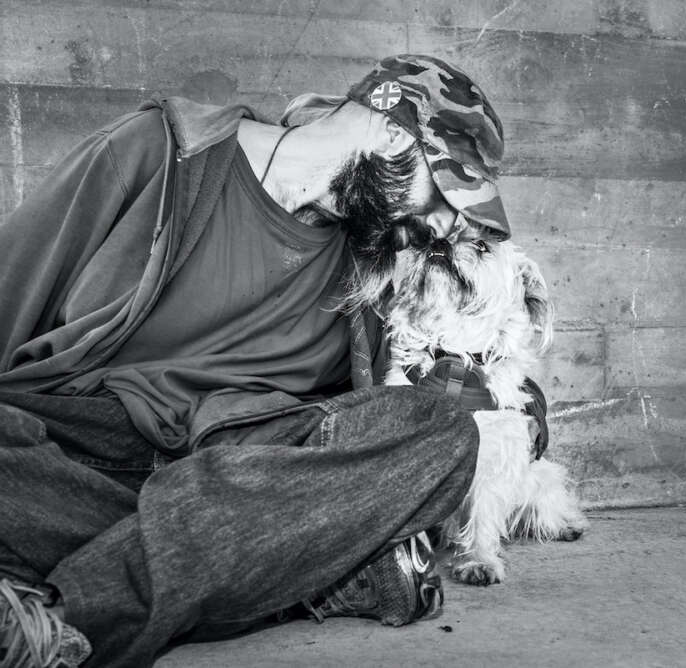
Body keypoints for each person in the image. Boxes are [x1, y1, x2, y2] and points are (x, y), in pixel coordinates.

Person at [0, 54, 522, 668]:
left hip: (251, 466)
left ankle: (56, 619)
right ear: (392, 132)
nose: (438, 225)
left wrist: (512, 396)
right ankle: (297, 577)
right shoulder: (157, 156)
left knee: (440, 431)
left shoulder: (373, 264)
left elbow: (377, 415)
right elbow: (12, 288)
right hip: (95, 447)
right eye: (443, 194)